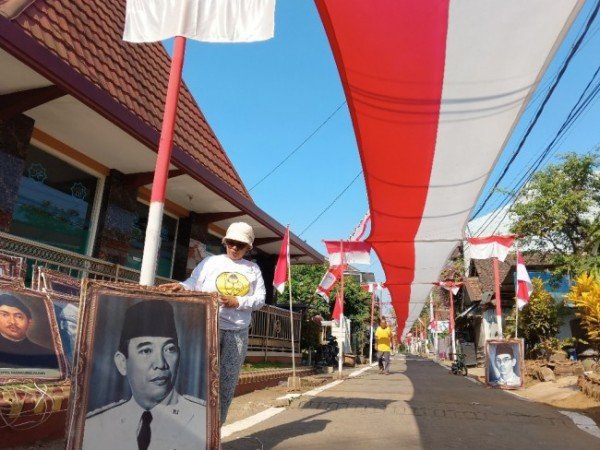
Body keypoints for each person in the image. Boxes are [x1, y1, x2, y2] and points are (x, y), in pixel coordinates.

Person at [161, 222, 266, 424]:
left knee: (226, 382)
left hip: (237, 332)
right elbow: (193, 282)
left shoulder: (253, 269)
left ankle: (215, 430)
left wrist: (239, 301)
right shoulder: (210, 263)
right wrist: (181, 287)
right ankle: (191, 427)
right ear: (225, 242)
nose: (234, 248)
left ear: (248, 247)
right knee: (198, 377)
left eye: (240, 245)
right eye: (231, 243)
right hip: (208, 327)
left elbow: (260, 299)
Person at [84, 300, 206, 450]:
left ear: (179, 355)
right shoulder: (95, 426)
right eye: (146, 351)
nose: (161, 364)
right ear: (122, 363)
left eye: (169, 349)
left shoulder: (204, 420)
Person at [0, 293, 59, 369]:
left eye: (19, 317)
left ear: (29, 322)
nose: (12, 322)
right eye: (5, 315)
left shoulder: (47, 354)